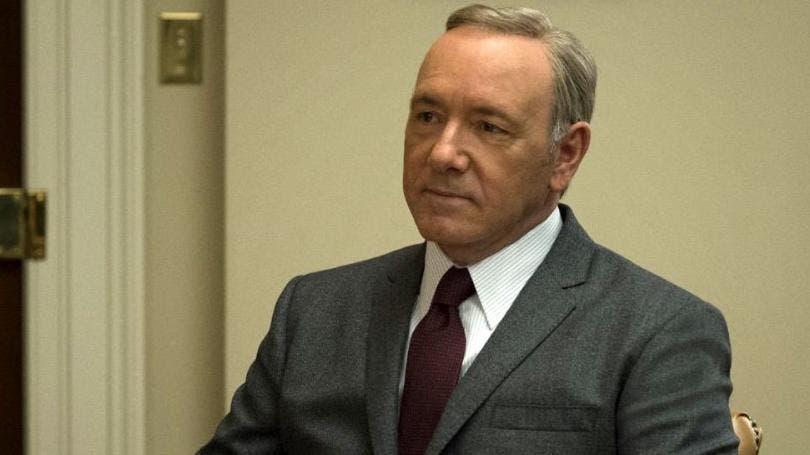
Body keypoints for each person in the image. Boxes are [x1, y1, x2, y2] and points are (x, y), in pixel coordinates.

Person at [199, 4, 738, 454]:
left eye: (488, 126)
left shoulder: (658, 331)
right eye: (428, 117)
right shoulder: (314, 310)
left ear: (565, 154)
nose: (443, 153)